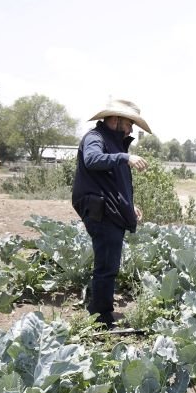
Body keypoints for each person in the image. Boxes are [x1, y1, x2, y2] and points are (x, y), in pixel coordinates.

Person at [72, 99, 150, 328]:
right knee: (106, 266)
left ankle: (98, 307)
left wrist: (129, 205)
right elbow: (93, 160)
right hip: (100, 211)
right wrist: (125, 158)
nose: (131, 129)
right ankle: (101, 317)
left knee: (108, 264)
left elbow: (115, 183)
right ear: (115, 120)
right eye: (129, 123)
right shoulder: (95, 138)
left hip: (111, 209)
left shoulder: (115, 143)